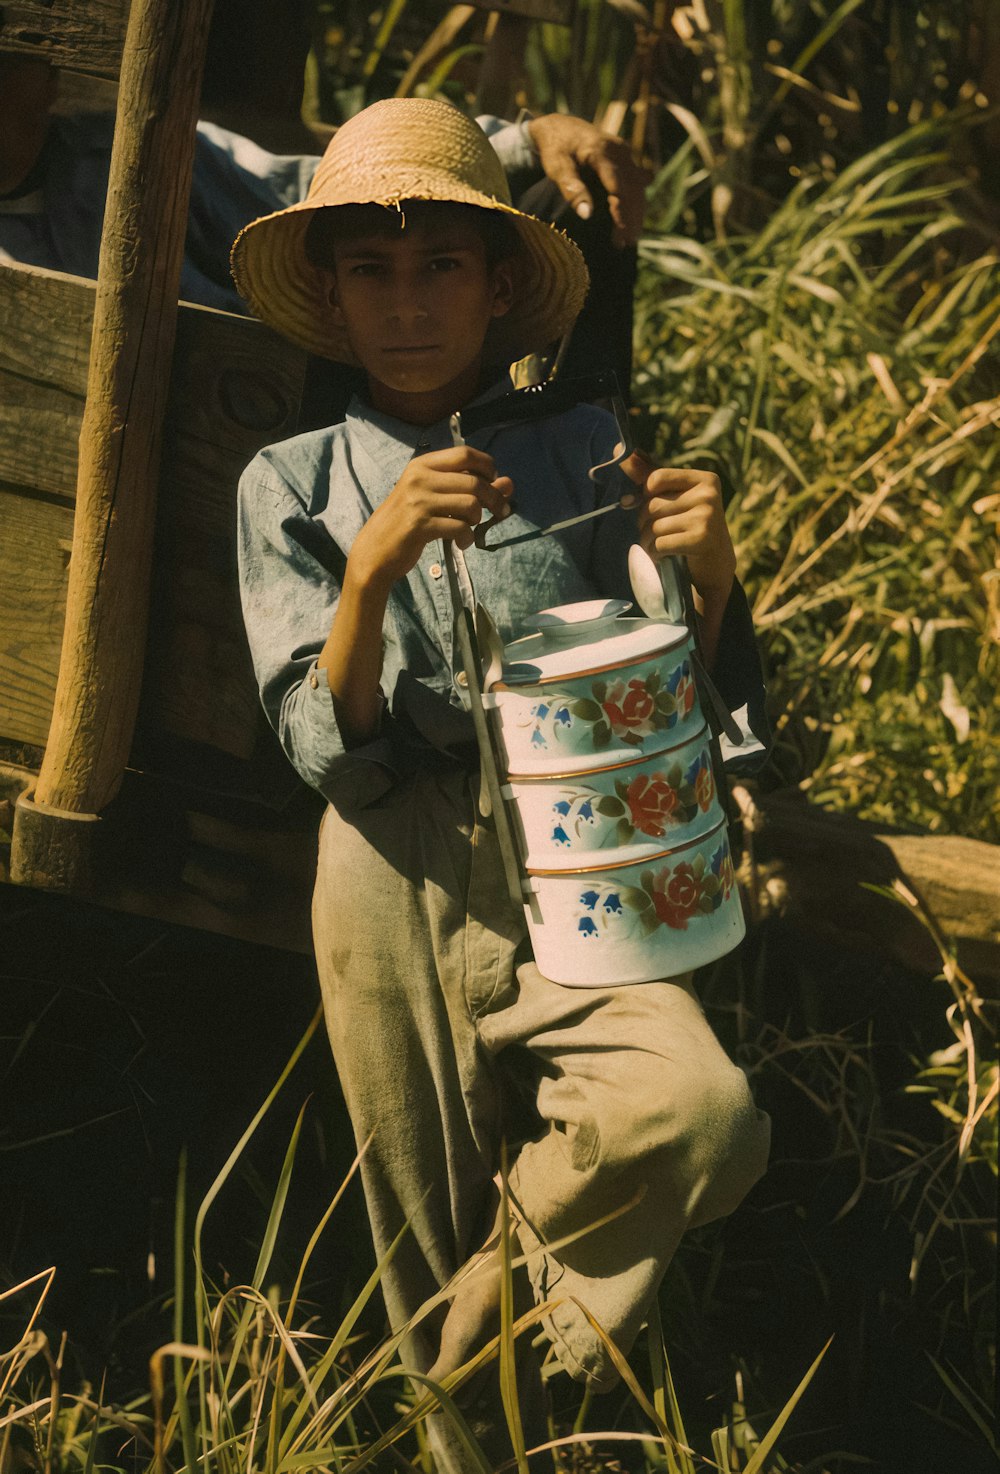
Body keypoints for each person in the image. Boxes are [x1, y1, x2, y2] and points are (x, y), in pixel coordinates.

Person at [232, 98, 770, 1472]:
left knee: (697, 1113)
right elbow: (319, 737)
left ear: (498, 288)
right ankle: (480, 1413)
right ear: (336, 302)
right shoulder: (291, 477)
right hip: (388, 864)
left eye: (442, 270)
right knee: (415, 1226)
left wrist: (708, 577)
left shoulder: (582, 445)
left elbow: (687, 699)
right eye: (373, 273)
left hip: (582, 845)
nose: (409, 306)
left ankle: (505, 1272)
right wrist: (371, 568)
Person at [0, 52, 644, 392]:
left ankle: (591, 463)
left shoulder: (135, 149)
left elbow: (319, 188)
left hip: (330, 360)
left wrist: (531, 139)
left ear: (49, 79)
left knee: (575, 196)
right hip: (203, 424)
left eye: (6, 71)